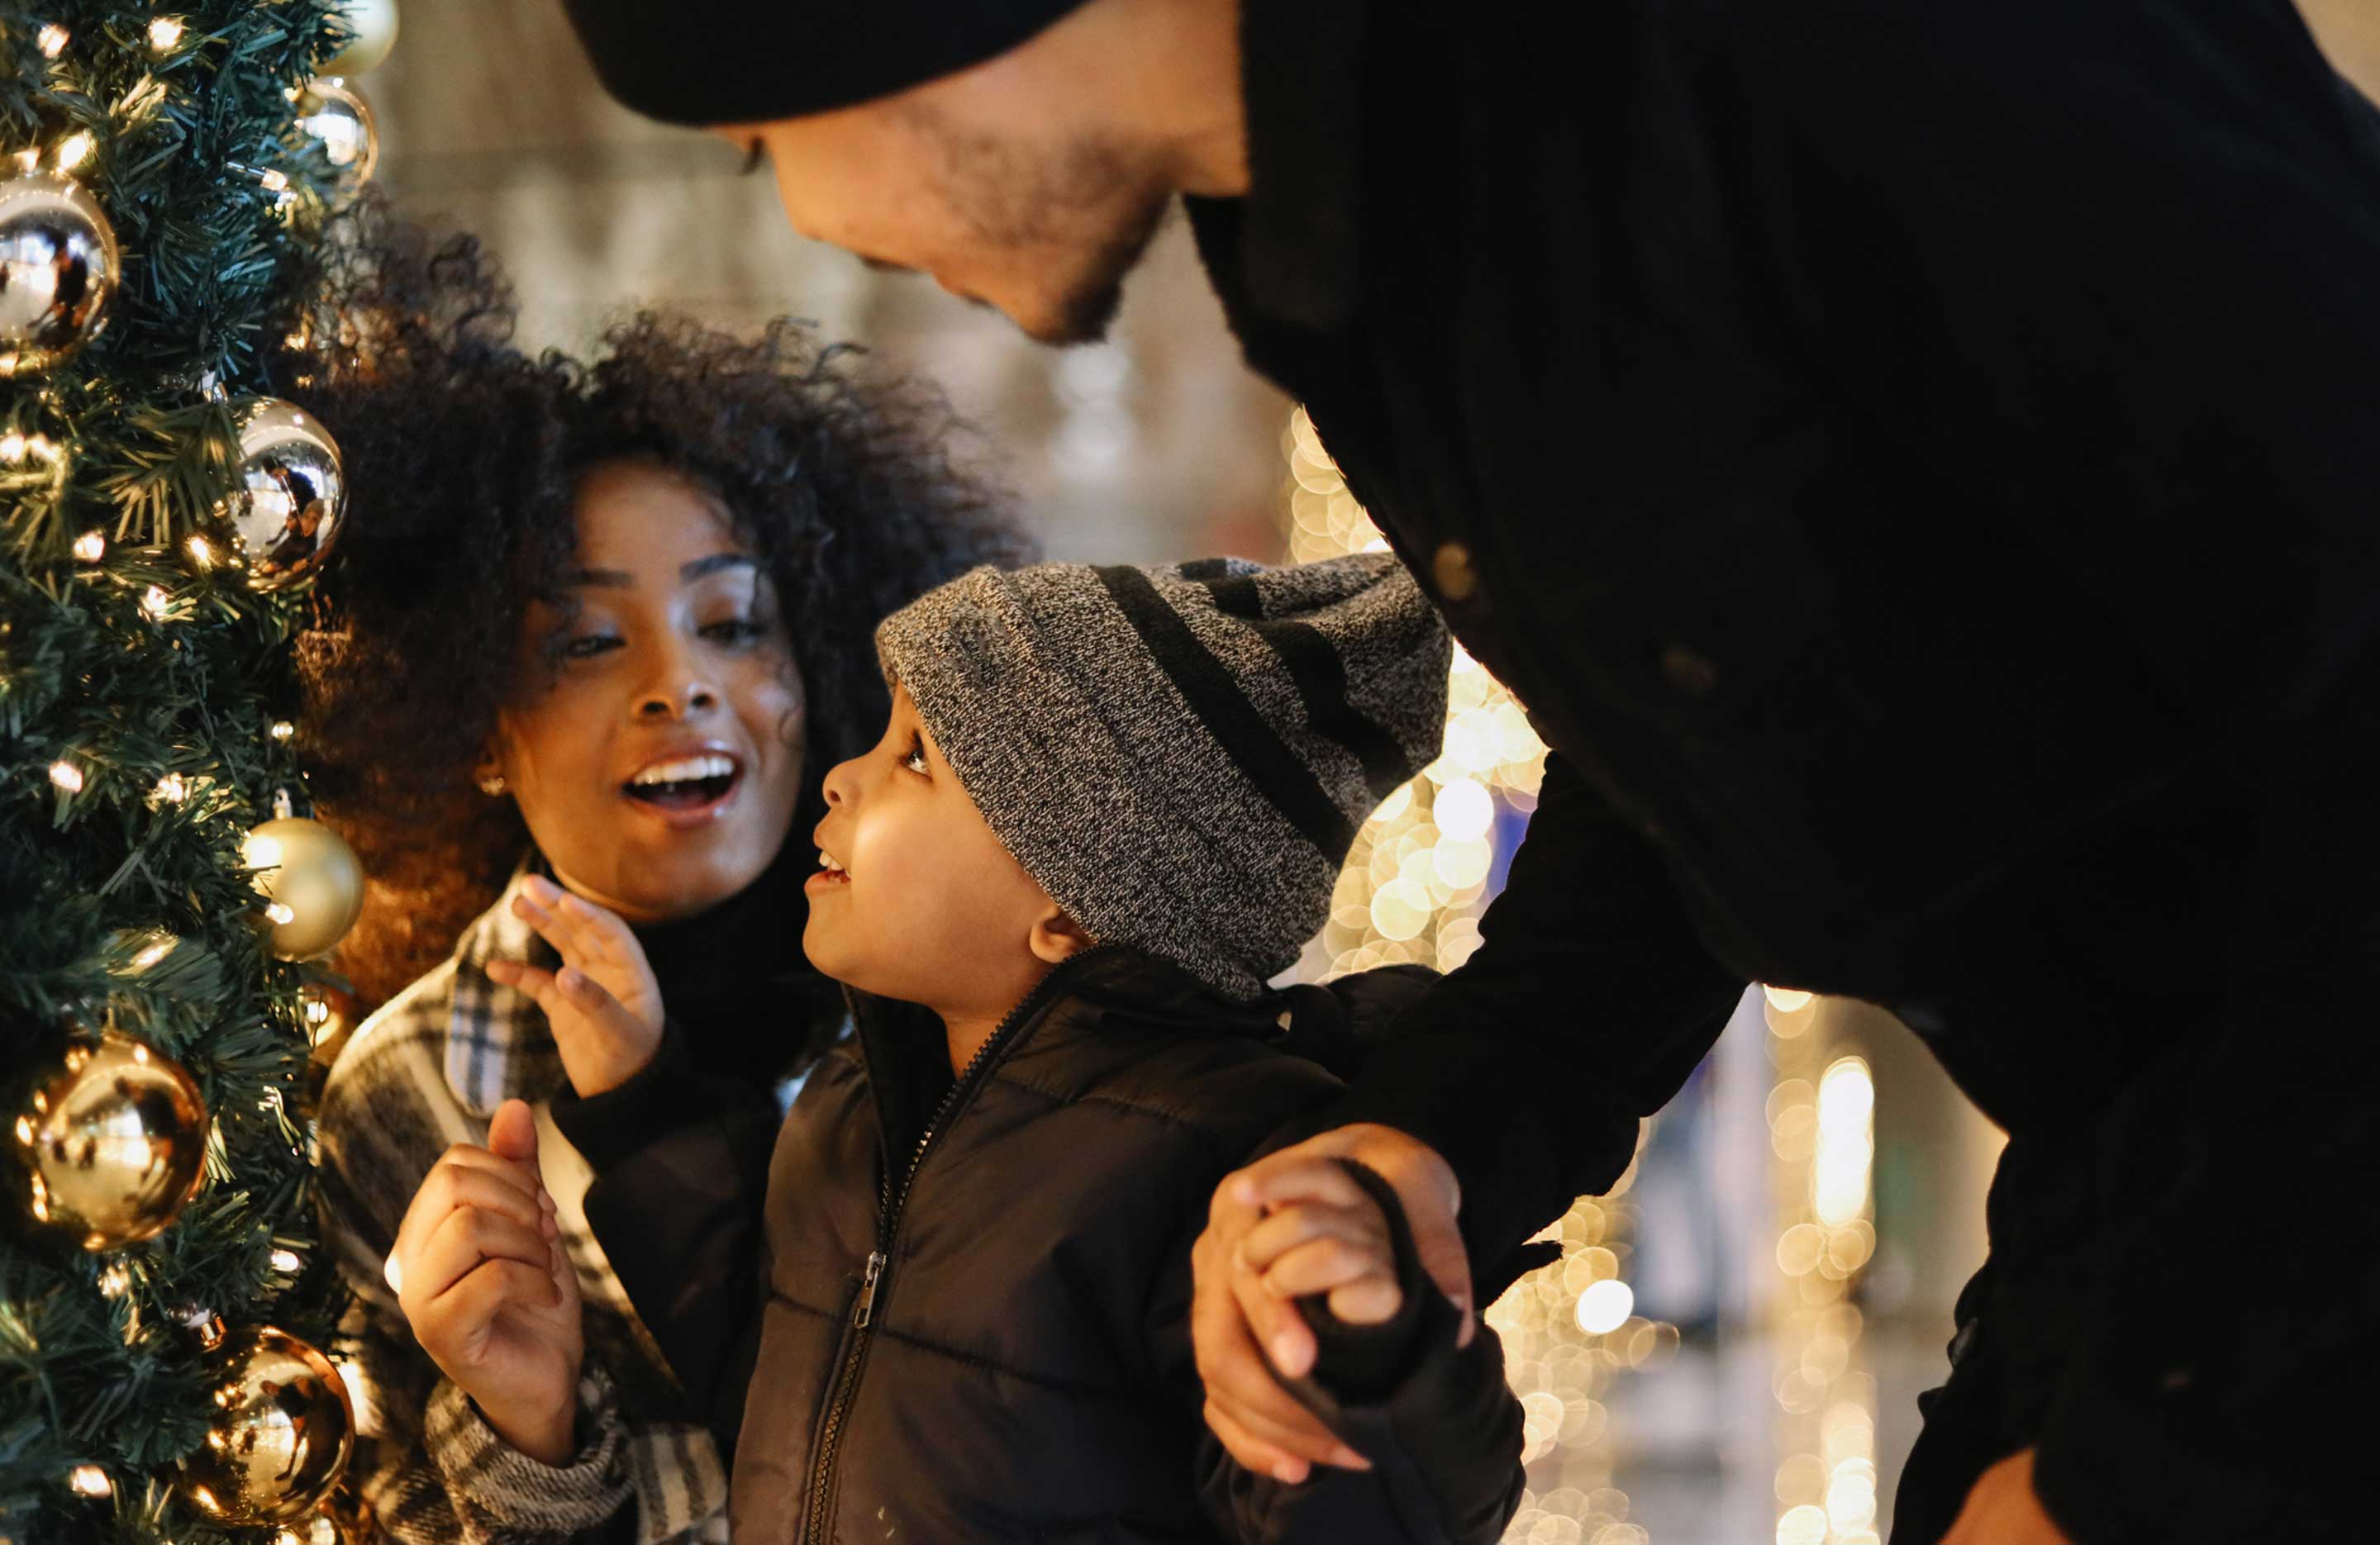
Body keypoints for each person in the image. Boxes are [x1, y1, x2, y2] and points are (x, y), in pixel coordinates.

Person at [555, 2, 2380, 1540]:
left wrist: (2159, 1449)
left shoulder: (1788, 65)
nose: (805, 209)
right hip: (2153, 1176)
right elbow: (1668, 737)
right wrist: (1440, 1136)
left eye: (749, 129)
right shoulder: (1365, 252)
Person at [407, 550, 1534, 1543]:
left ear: (1071, 906)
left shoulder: (1216, 1163)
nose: (845, 771)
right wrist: (644, 1091)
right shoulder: (853, 1099)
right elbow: (780, 1383)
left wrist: (1371, 1365)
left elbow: (1357, 1506)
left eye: (914, 760)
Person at [294, 213, 1028, 1544]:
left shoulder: (977, 1007)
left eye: (734, 621)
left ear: (818, 672)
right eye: (583, 640)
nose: (676, 681)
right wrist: (530, 1434)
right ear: (475, 727)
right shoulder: (408, 1100)